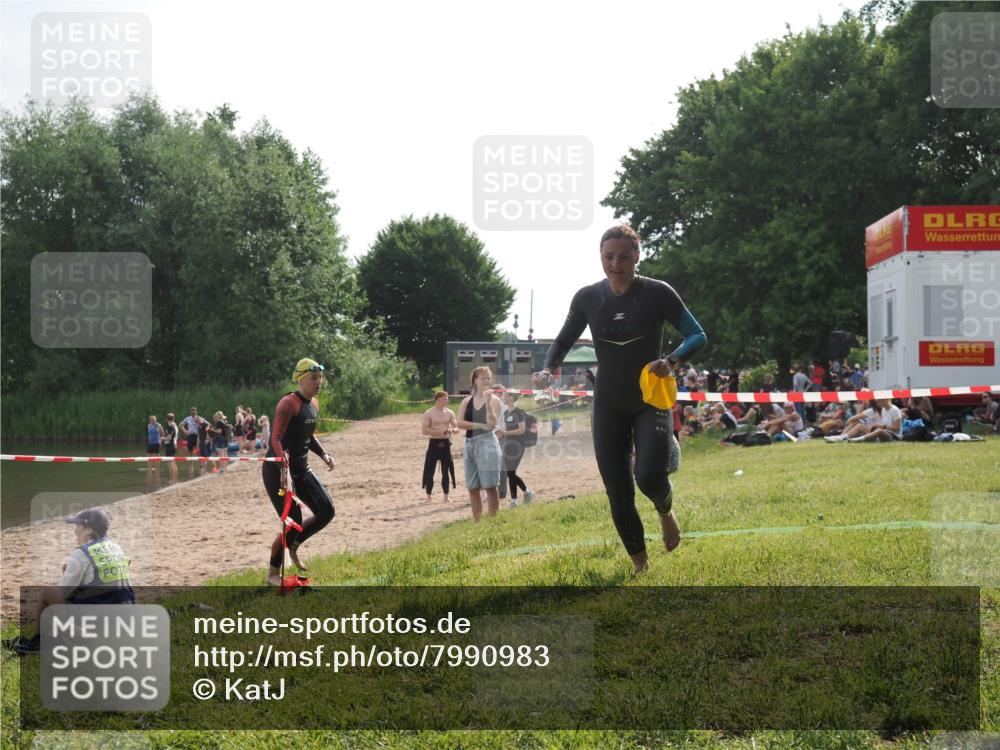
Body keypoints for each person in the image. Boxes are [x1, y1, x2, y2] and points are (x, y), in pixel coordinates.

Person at [534, 224, 706, 572]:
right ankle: (640, 565)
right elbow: (563, 340)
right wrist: (547, 368)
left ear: (637, 257)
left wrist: (671, 360)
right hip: (608, 403)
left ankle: (664, 510)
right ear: (600, 257)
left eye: (624, 257)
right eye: (608, 257)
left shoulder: (657, 293)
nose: (616, 264)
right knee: (618, 488)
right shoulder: (587, 298)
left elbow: (697, 334)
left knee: (649, 477)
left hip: (649, 399)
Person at [4, 508, 133, 654]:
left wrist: (67, 574)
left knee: (48, 595)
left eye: (78, 526)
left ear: (88, 530)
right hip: (123, 618)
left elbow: (63, 593)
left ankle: (38, 643)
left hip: (99, 620)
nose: (75, 531)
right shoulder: (117, 548)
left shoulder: (82, 553)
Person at [262, 359, 335, 586]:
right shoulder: (288, 403)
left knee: (326, 511)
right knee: (293, 521)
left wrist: (323, 454)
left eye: (320, 378)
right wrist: (284, 468)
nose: (318, 382)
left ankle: (293, 545)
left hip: (302, 469)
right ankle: (273, 574)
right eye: (314, 378)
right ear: (301, 379)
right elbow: (274, 438)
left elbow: (308, 435)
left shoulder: (314, 403)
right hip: (278, 470)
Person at [456, 366, 503, 522]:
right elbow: (459, 423)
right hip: (470, 443)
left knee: (490, 486)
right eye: (483, 377)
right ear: (475, 379)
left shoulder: (495, 400)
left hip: (487, 443)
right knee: (473, 487)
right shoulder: (466, 401)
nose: (486, 381)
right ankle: (478, 523)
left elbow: (491, 424)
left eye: (488, 378)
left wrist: (488, 403)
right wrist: (478, 425)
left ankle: (493, 522)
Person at [498, 391, 535, 507]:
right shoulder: (506, 413)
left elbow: (521, 430)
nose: (503, 397)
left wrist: (505, 432)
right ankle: (525, 494)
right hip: (508, 445)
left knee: (511, 472)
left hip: (518, 446)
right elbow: (505, 427)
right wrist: (499, 433)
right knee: (510, 473)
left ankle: (518, 498)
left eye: (505, 396)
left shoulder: (519, 412)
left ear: (512, 397)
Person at [420, 391, 457, 503]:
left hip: (446, 443)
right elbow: (424, 430)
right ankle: (428, 496)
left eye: (447, 399)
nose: (447, 401)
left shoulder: (450, 412)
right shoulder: (429, 413)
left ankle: (446, 496)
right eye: (445, 399)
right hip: (434, 443)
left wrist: (451, 430)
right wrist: (439, 432)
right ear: (438, 399)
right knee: (430, 470)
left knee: (447, 470)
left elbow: (457, 427)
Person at [162, 412, 179, 481]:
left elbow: (169, 437)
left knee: (169, 462)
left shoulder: (169, 427)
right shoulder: (175, 426)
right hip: (174, 445)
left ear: (167, 419)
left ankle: (172, 479)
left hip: (170, 445)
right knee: (173, 462)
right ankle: (175, 478)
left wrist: (162, 438)